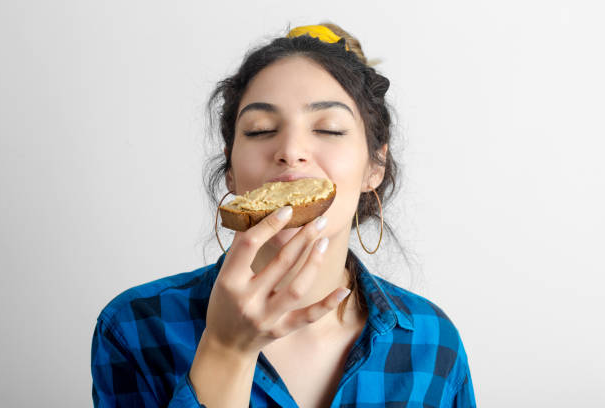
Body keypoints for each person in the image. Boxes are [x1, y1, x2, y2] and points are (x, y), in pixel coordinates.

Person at [91, 23, 476, 408]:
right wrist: (226, 349)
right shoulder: (135, 327)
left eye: (328, 129)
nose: (291, 151)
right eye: (260, 131)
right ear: (230, 169)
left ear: (375, 165)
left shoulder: (433, 342)